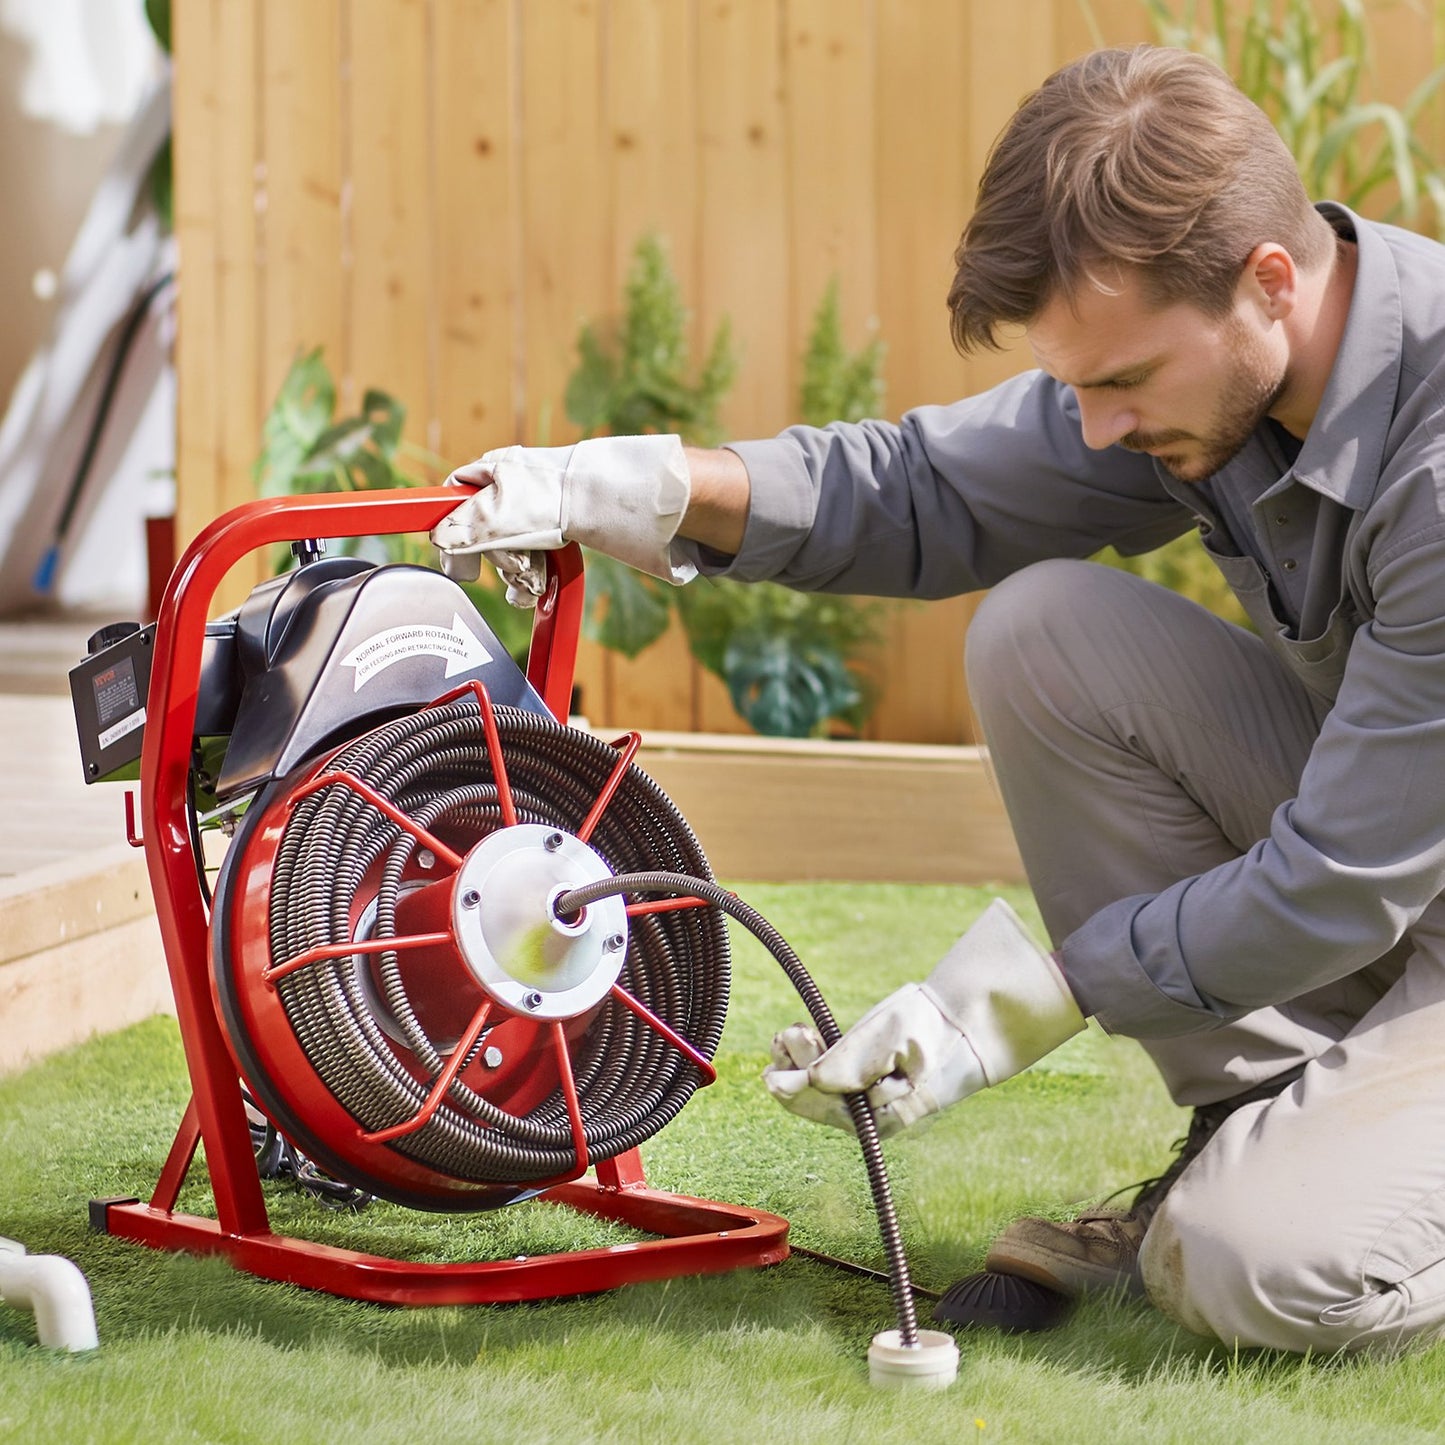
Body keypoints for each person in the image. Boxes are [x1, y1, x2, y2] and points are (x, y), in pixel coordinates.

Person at [430, 44, 1445, 1355]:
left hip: (1380, 872)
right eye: (1077, 383)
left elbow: (1334, 881)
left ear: (1265, 281)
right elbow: (932, 487)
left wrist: (1017, 998)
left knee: (1252, 1267)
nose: (1092, 429)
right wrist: (639, 486)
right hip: (1407, 857)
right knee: (1044, 632)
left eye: (1120, 382)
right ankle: (1249, 1123)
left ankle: (1281, 1198)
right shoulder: (1221, 367)